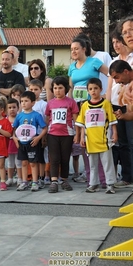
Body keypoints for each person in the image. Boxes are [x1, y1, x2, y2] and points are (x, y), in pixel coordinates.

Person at [68, 37, 108, 188]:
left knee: (96, 139)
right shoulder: (72, 67)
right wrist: (71, 105)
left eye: (76, 48)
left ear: (84, 48)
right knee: (83, 142)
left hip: (94, 106)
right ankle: (90, 177)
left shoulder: (94, 62)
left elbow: (110, 74)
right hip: (79, 107)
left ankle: (103, 178)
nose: (74, 51)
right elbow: (71, 88)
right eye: (72, 49)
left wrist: (105, 95)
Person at [75, 78, 117, 194]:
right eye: (90, 89)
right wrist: (82, 137)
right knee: (92, 164)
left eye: (95, 88)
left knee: (107, 163)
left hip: (104, 139)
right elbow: (82, 123)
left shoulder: (106, 104)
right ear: (87, 91)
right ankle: (93, 184)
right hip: (90, 140)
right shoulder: (84, 106)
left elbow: (112, 120)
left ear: (101, 89)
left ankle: (110, 184)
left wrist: (115, 133)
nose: (93, 91)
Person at [106, 29, 133, 189]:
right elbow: (110, 87)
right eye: (113, 42)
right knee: (122, 143)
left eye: (118, 41)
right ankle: (127, 176)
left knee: (131, 141)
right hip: (117, 105)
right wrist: (108, 106)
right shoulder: (113, 63)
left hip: (128, 104)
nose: (116, 45)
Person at [44, 76, 79, 193]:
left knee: (65, 158)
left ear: (66, 89)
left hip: (67, 134)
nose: (57, 90)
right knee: (54, 158)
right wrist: (44, 135)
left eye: (60, 88)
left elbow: (76, 120)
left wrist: (77, 134)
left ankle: (63, 179)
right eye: (55, 88)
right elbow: (47, 119)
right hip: (52, 134)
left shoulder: (71, 102)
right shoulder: (50, 103)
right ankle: (54, 181)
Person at [13, 91, 47, 192]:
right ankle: (24, 182)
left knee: (33, 163)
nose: (23, 103)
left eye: (26, 101)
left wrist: (38, 138)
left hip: (32, 143)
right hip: (22, 143)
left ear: (32, 103)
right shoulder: (19, 116)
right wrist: (15, 138)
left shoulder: (37, 115)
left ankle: (35, 182)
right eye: (22, 101)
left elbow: (45, 128)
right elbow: (14, 129)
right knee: (24, 162)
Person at [29, 79, 48, 188]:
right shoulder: (27, 103)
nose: (33, 91)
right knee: (33, 158)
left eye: (36, 89)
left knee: (42, 157)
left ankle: (42, 177)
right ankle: (34, 177)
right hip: (30, 136)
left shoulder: (43, 104)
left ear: (41, 90)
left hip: (41, 134)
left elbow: (46, 120)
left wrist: (44, 136)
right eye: (31, 89)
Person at [7, 98, 22, 186]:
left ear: (18, 108)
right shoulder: (5, 119)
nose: (12, 109)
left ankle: (20, 178)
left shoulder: (20, 118)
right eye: (9, 107)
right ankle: (10, 178)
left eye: (14, 107)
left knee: (18, 162)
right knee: (10, 162)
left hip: (18, 143)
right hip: (9, 143)